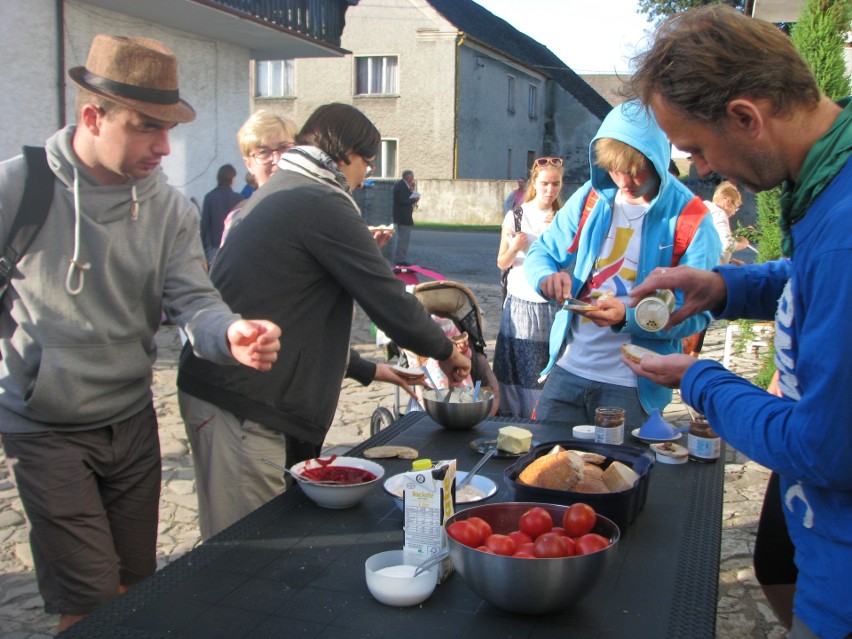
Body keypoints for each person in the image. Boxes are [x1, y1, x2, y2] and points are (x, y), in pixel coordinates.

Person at [0, 35, 281, 633]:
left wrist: (230, 332)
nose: (163, 146)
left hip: (131, 422)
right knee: (88, 603)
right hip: (46, 429)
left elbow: (194, 302)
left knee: (135, 586)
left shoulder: (170, 209)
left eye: (170, 128)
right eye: (147, 127)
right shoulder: (17, 190)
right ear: (91, 116)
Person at [622, 6, 852, 638]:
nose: (698, 168)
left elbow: (822, 449)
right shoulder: (830, 178)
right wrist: (726, 285)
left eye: (696, 147)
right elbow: (815, 282)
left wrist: (700, 380)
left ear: (747, 117)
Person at [177, 103, 470, 540]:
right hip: (239, 403)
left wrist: (371, 369)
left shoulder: (292, 186)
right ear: (348, 154)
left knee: (259, 547)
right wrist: (446, 352)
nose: (365, 177)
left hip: (239, 395)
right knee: (241, 557)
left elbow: (296, 314)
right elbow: (388, 300)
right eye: (367, 163)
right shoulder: (319, 198)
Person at [524, 100, 721, 428]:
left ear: (658, 159)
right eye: (615, 169)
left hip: (632, 386)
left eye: (635, 170)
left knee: (620, 478)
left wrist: (630, 317)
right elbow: (541, 253)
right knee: (544, 470)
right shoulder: (592, 196)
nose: (624, 180)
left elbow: (698, 312)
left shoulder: (692, 219)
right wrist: (545, 277)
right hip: (567, 369)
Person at [493, 158, 562, 417]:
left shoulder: (562, 217)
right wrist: (514, 246)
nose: (550, 190)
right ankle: (517, 415)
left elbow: (566, 265)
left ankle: (543, 415)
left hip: (550, 303)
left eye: (556, 184)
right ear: (535, 182)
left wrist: (553, 238)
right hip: (521, 299)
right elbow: (502, 261)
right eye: (545, 183)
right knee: (520, 362)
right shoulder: (516, 216)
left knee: (546, 364)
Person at [219, 110, 298, 245]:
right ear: (248, 164)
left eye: (284, 148)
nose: (277, 159)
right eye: (264, 152)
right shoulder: (238, 220)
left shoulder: (317, 208)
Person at [200, 163, 243, 266]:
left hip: (214, 249)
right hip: (232, 248)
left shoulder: (210, 197)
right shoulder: (239, 198)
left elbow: (204, 225)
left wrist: (200, 246)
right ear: (232, 179)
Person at [706, 180, 749, 265]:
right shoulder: (719, 214)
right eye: (735, 208)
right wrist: (743, 244)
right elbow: (727, 244)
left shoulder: (706, 209)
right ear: (728, 201)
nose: (733, 213)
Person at [392, 169, 420, 265]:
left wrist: (411, 191)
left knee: (404, 239)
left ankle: (400, 258)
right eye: (412, 177)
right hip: (403, 217)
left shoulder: (404, 186)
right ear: (408, 177)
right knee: (403, 239)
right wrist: (414, 199)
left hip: (404, 216)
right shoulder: (402, 186)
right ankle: (400, 260)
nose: (413, 180)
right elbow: (403, 201)